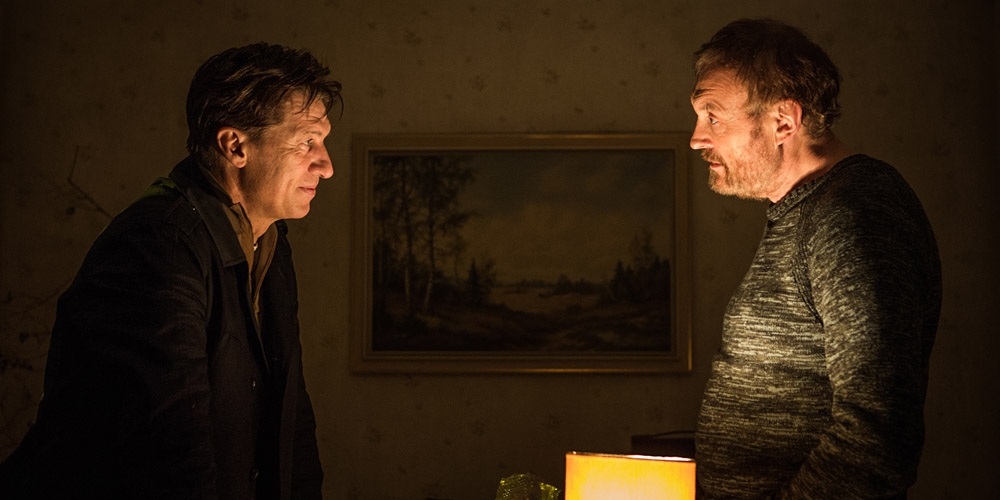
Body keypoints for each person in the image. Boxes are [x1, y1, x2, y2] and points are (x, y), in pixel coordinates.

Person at [0, 43, 341, 500]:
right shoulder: (157, 245)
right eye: (306, 142)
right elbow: (170, 454)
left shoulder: (270, 243)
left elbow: (290, 421)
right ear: (235, 146)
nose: (326, 166)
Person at [689, 19, 941, 499]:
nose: (697, 138)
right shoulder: (804, 209)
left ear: (784, 121)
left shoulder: (855, 212)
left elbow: (878, 431)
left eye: (712, 116)